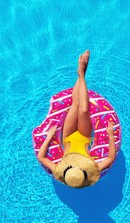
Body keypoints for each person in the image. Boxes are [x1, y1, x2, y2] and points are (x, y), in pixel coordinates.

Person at [37, 50, 116, 188]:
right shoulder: (90, 170)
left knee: (76, 104)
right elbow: (110, 158)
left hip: (67, 136)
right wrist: (110, 136)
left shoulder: (60, 171)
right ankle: (82, 74)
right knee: (84, 110)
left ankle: (81, 73)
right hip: (84, 136)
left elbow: (41, 157)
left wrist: (49, 137)